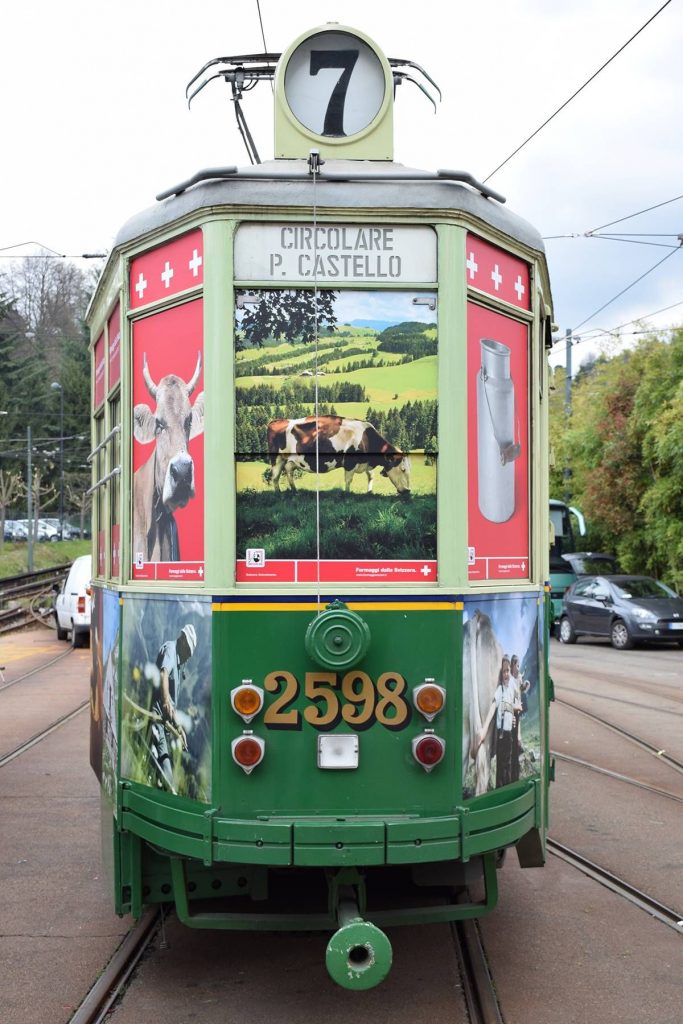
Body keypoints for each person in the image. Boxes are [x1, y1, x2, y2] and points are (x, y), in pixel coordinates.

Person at [150, 623, 196, 787]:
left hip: (165, 721)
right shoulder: (170, 648)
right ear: (182, 640)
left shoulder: (178, 662)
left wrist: (179, 728)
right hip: (156, 716)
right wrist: (165, 703)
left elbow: (171, 702)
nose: (188, 657)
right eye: (188, 651)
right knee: (165, 764)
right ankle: (168, 789)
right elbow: (164, 673)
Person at [476, 653, 522, 789]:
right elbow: (493, 708)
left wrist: (515, 710)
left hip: (509, 734)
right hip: (501, 735)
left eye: (508, 671)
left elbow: (516, 705)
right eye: (504, 672)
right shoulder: (500, 690)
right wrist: (484, 730)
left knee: (508, 764)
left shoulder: (511, 688)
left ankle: (507, 789)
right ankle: (501, 789)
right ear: (501, 674)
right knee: (501, 766)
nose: (506, 674)